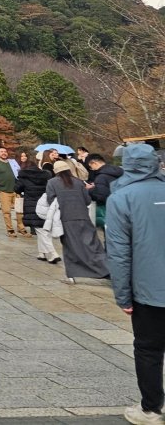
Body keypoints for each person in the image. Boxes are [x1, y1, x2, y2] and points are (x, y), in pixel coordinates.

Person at [105, 143, 165, 425]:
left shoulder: (122, 198)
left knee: (148, 349)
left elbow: (118, 253)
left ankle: (152, 409)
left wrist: (123, 296)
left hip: (149, 291)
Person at [44, 160, 109, 285]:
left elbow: (50, 200)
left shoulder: (52, 183)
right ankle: (105, 269)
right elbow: (87, 200)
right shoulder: (78, 182)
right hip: (83, 217)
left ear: (55, 171)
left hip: (65, 219)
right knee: (93, 245)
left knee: (70, 248)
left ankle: (72, 275)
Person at [16, 159, 59, 264]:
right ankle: (42, 253)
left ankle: (53, 253)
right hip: (45, 204)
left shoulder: (24, 177)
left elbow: (16, 188)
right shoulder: (45, 176)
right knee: (41, 228)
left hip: (32, 206)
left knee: (41, 230)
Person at [0, 146, 25, 237]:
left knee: (20, 211)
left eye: (5, 151)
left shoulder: (12, 163)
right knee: (6, 211)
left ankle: (21, 228)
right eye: (1, 151)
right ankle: (10, 229)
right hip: (4, 191)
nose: (4, 153)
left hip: (16, 190)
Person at [86, 153, 124, 231]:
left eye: (90, 167)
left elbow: (101, 197)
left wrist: (90, 190)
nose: (92, 169)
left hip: (110, 211)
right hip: (123, 208)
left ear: (94, 163)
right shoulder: (118, 170)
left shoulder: (101, 177)